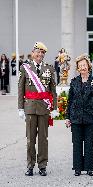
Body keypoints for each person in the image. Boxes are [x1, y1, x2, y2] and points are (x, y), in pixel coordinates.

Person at [18, 42, 59, 176]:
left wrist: (54, 108)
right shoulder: (25, 68)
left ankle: (42, 166)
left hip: (44, 108)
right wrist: (20, 108)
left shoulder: (50, 68)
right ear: (32, 52)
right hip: (29, 107)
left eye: (42, 53)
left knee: (43, 139)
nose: (40, 54)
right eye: (38, 52)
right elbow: (20, 89)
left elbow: (53, 90)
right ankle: (30, 166)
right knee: (30, 139)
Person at [65, 53, 93, 176]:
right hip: (76, 117)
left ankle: (89, 168)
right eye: (80, 65)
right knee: (77, 144)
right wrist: (67, 117)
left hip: (90, 117)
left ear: (88, 66)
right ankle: (78, 168)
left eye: (84, 65)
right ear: (78, 68)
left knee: (89, 143)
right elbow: (70, 100)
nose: (82, 67)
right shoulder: (74, 81)